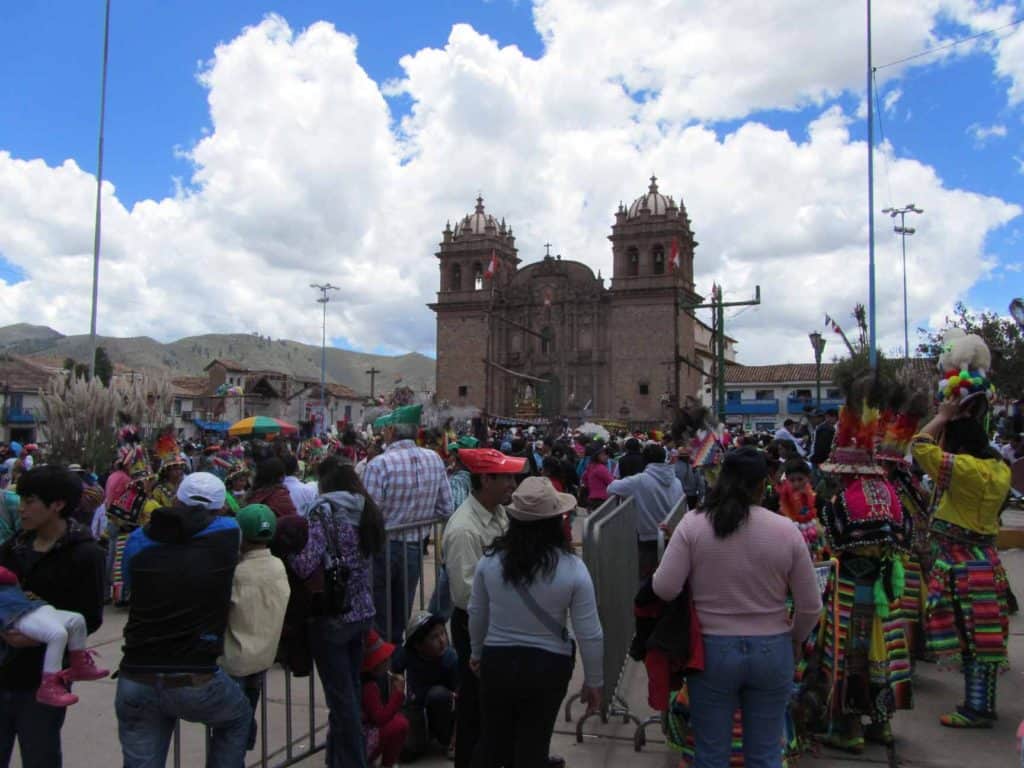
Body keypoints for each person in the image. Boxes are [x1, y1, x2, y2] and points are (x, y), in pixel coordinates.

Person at [653, 447, 821, 768]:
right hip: (773, 651)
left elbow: (664, 587)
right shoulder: (786, 530)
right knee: (766, 755)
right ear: (763, 485)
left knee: (711, 755)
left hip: (711, 654)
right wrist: (796, 640)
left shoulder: (694, 524)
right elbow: (811, 606)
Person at [115, 471, 252, 768]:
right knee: (238, 719)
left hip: (136, 674)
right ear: (220, 507)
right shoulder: (228, 532)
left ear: (176, 499)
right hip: (195, 677)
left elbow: (130, 584)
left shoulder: (139, 539)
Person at [469, 476, 604, 768]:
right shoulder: (572, 569)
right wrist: (594, 681)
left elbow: (477, 612)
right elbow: (590, 632)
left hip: (498, 661)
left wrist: (477, 652)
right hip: (548, 666)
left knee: (493, 741)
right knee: (534, 742)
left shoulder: (490, 561)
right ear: (555, 521)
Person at [912, 399, 1012, 728]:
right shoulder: (1000, 469)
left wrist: (941, 416)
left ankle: (976, 708)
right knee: (985, 638)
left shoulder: (963, 468)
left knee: (969, 639)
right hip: (987, 561)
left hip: (960, 565)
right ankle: (981, 703)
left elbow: (919, 444)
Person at [0, 466, 106, 767]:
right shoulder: (13, 548)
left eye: (29, 501)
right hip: (3, 667)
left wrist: (36, 636)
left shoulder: (86, 554)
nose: (21, 509)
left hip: (42, 679)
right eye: (20, 500)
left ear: (57, 504)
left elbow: (90, 616)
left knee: (40, 756)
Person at [289, 457, 385, 768]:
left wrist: (285, 550)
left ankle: (354, 761)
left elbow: (306, 564)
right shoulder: (365, 510)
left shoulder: (324, 510)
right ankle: (337, 760)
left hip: (333, 616)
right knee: (349, 694)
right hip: (361, 611)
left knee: (342, 702)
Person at [441, 447, 524, 768]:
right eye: (505, 477)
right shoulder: (464, 529)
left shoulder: (500, 514)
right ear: (485, 480)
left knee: (497, 708)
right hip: (476, 626)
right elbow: (465, 595)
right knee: (475, 708)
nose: (512, 484)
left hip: (499, 623)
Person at [363, 405, 452, 644]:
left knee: (379, 615)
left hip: (382, 548)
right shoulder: (434, 459)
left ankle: (383, 672)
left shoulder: (379, 464)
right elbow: (446, 508)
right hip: (413, 548)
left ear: (391, 430)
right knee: (400, 614)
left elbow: (369, 516)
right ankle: (396, 670)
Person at [220, 504, 290, 751]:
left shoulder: (237, 572)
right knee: (246, 713)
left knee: (230, 730)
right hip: (263, 657)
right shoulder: (278, 566)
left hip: (235, 659)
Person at [0, 565, 108, 707]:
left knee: (76, 620)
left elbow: (7, 575)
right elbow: (8, 576)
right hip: (18, 615)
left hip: (33, 607)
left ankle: (79, 665)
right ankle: (49, 686)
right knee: (57, 634)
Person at [607, 443, 683, 579]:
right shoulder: (677, 481)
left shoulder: (640, 480)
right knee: (672, 579)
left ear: (645, 460)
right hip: (673, 538)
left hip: (649, 540)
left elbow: (611, 487)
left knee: (647, 582)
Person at [392, 611, 457, 760]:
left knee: (437, 695)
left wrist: (455, 739)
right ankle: (422, 736)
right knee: (405, 753)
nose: (442, 640)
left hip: (443, 711)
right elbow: (395, 671)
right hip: (416, 706)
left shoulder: (450, 658)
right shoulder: (407, 653)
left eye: (442, 633)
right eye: (434, 637)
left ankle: (443, 737)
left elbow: (462, 700)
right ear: (418, 646)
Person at [360, 630, 409, 768]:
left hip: (358, 736)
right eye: (385, 659)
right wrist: (398, 694)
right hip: (364, 740)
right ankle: (388, 764)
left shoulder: (360, 680)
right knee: (400, 724)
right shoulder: (369, 687)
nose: (389, 661)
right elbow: (380, 718)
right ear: (374, 665)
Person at [580, 444, 613, 509]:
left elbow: (584, 478)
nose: (606, 456)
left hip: (591, 499)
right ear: (597, 456)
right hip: (602, 500)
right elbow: (612, 483)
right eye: (603, 455)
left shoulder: (591, 466)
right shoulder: (601, 468)